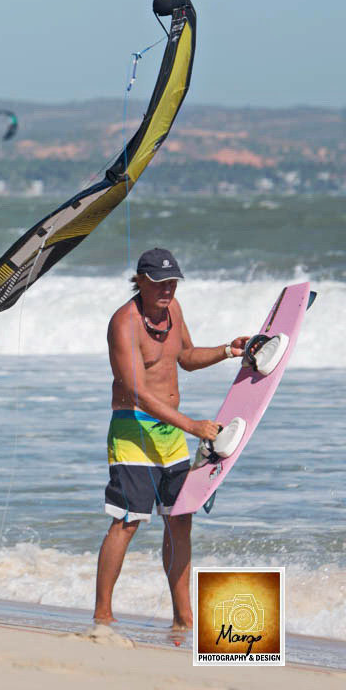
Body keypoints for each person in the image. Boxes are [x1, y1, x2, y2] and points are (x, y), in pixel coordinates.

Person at [94, 248, 250, 629]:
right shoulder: (124, 323)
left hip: (170, 434)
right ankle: (102, 614)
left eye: (173, 282)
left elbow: (186, 356)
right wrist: (191, 426)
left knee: (180, 520)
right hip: (133, 429)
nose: (167, 289)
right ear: (141, 280)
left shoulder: (173, 310)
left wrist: (228, 350)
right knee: (128, 521)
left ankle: (184, 617)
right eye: (160, 282)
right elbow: (135, 391)